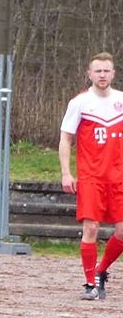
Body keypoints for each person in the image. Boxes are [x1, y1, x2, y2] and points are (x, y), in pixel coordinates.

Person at [59, 52, 123, 300]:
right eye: (98, 71)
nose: (102, 75)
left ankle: (100, 270)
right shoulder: (80, 103)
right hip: (91, 176)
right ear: (89, 74)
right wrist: (66, 173)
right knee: (91, 227)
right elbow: (66, 138)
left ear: (113, 74)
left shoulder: (121, 100)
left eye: (106, 71)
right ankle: (89, 284)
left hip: (119, 177)